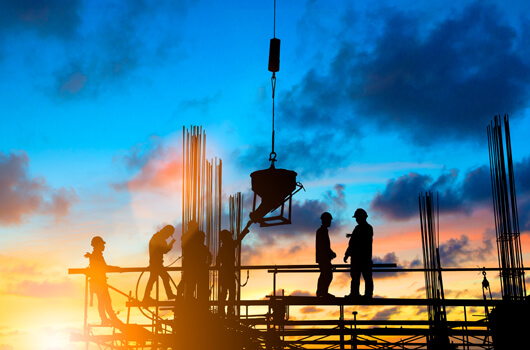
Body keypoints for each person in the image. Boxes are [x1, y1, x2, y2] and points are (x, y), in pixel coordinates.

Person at [84, 236, 121, 326]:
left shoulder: (96, 255)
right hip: (99, 283)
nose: (104, 246)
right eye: (102, 244)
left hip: (98, 283)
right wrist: (116, 268)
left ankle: (106, 319)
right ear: (97, 245)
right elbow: (103, 267)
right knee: (106, 301)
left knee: (103, 301)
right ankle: (111, 319)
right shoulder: (96, 255)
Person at [344, 208, 373, 299]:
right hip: (359, 258)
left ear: (362, 218)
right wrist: (347, 254)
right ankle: (355, 294)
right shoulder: (361, 228)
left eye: (357, 218)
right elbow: (352, 243)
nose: (356, 220)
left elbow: (358, 242)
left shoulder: (366, 228)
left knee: (366, 277)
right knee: (356, 277)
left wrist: (347, 254)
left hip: (363, 258)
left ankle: (365, 295)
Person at [143, 225, 177, 302]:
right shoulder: (159, 239)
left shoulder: (156, 237)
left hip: (154, 263)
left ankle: (146, 297)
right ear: (166, 232)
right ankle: (169, 294)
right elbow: (165, 250)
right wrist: (171, 244)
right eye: (168, 235)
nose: (168, 237)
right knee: (163, 277)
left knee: (154, 278)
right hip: (156, 263)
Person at [187, 230, 212, 303]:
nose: (203, 240)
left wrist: (209, 262)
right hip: (200, 270)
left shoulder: (195, 248)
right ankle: (198, 302)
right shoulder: (200, 248)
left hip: (197, 270)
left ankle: (193, 302)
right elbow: (209, 255)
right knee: (196, 287)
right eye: (202, 238)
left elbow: (209, 255)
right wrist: (208, 263)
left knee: (195, 287)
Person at [316, 212, 336, 298]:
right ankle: (322, 292)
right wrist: (330, 253)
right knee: (326, 275)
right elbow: (323, 246)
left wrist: (331, 253)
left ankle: (322, 292)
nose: (330, 222)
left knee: (325, 274)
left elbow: (325, 246)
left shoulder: (323, 231)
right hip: (323, 258)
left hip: (324, 258)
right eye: (329, 220)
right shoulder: (322, 231)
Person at [217, 229, 237, 317]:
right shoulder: (230, 245)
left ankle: (222, 311)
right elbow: (239, 239)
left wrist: (219, 267)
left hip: (224, 274)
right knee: (232, 293)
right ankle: (229, 311)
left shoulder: (223, 247)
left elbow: (218, 259)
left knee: (223, 293)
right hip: (229, 273)